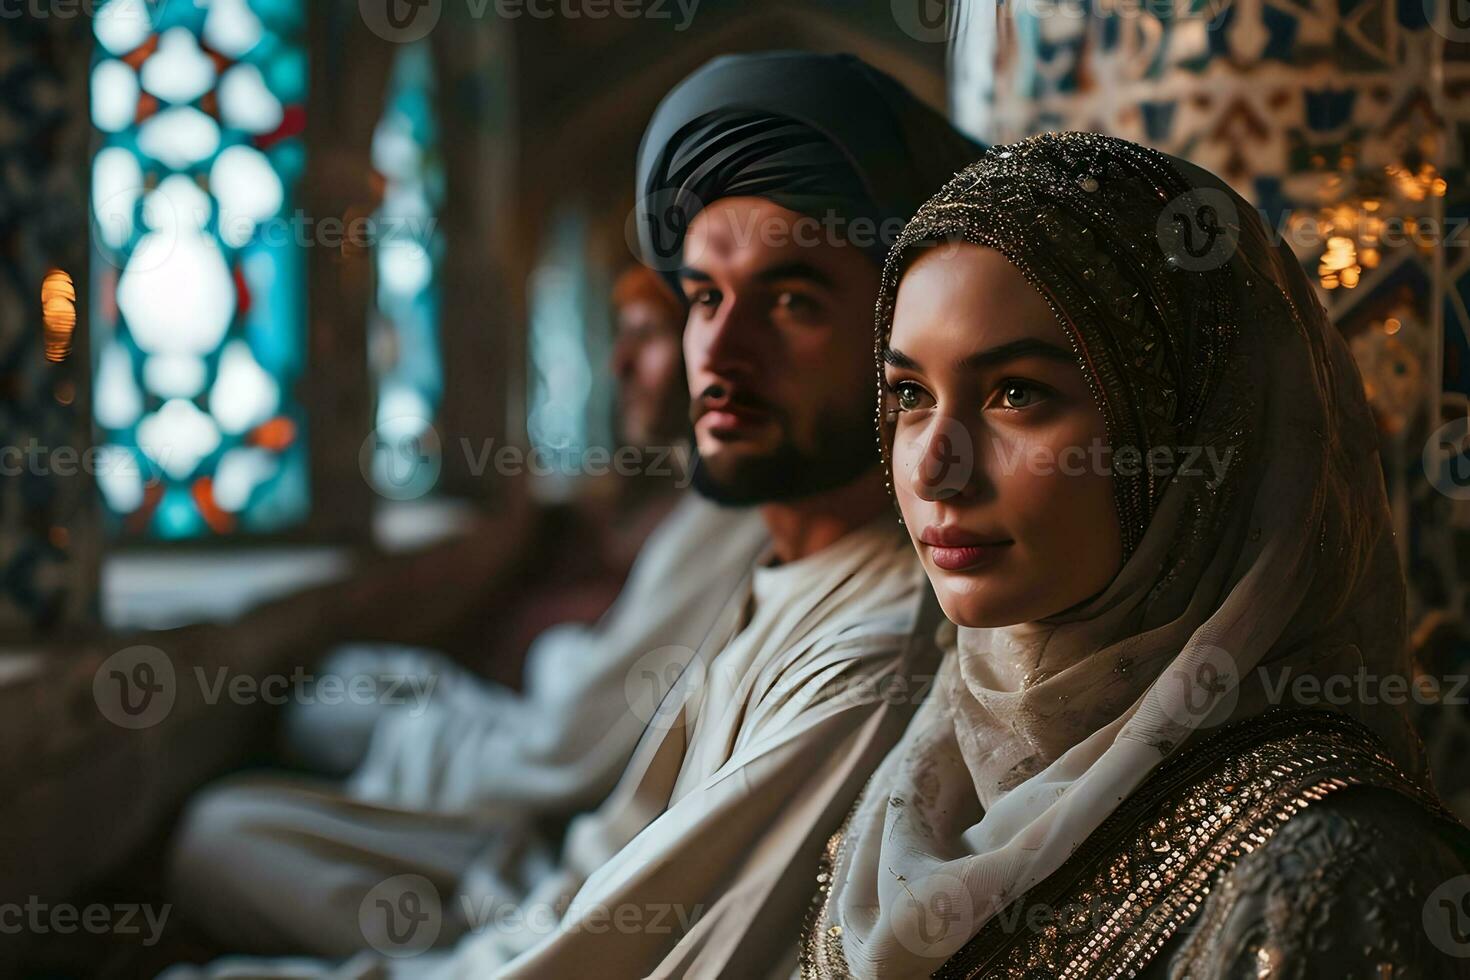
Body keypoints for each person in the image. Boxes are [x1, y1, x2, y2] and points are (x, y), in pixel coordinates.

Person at [161, 51, 983, 979]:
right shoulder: (790, 551)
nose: (720, 349)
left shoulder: (870, 655)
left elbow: (605, 947)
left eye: (792, 299)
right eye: (704, 296)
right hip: (539, 892)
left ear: (902, 340)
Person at [800, 132, 1470, 979]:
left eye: (1017, 395)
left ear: (1191, 434)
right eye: (909, 396)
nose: (936, 464)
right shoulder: (921, 782)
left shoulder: (1335, 869)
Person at [166, 266, 769, 957]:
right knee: (338, 690)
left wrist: (558, 646)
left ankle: (456, 947)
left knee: (222, 831)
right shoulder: (700, 497)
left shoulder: (737, 509)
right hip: (526, 763)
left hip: (546, 823)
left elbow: (572, 750)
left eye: (648, 336)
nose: (621, 362)